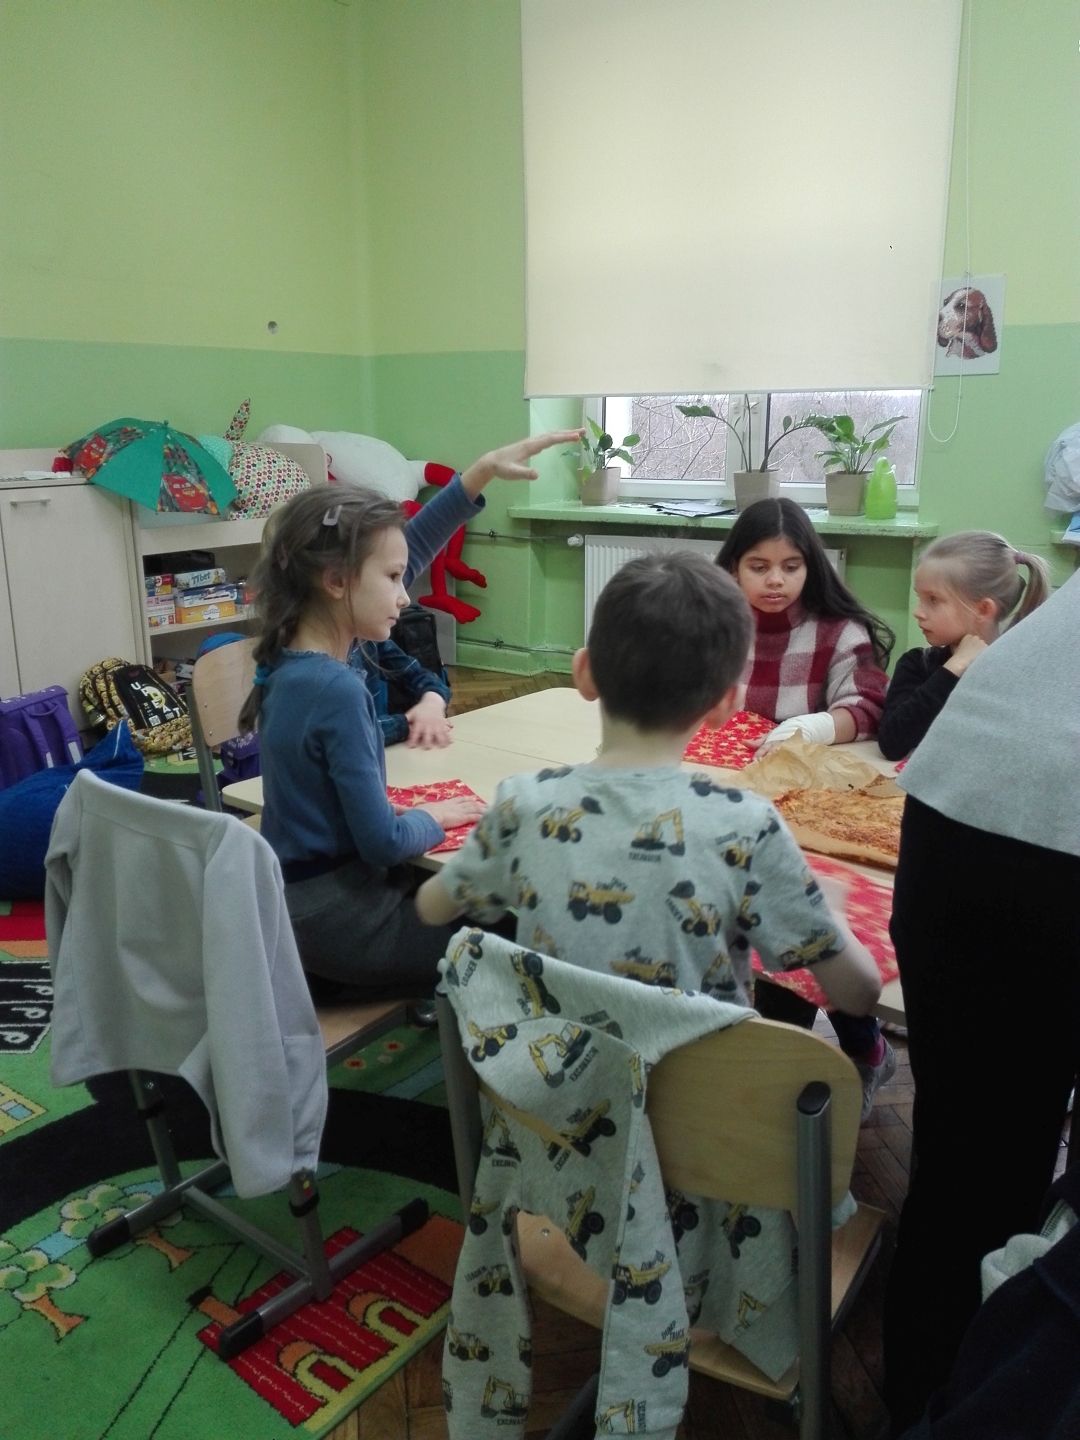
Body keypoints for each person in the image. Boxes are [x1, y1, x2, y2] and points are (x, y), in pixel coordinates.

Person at [416, 552, 882, 1025]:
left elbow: (432, 908)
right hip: (703, 1075)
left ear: (584, 672)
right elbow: (858, 994)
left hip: (550, 1071)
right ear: (728, 704)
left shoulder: (522, 803)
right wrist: (832, 916)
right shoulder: (748, 827)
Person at [237, 429, 582, 1001]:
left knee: (479, 897)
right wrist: (436, 815)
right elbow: (382, 842)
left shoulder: (292, 658)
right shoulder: (336, 688)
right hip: (345, 925)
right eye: (395, 580)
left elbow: (399, 553)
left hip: (298, 911)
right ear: (336, 581)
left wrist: (479, 473)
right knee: (530, 927)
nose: (406, 595)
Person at [883, 568, 1080, 1433]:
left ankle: (922, 1395)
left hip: (965, 799)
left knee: (965, 1161)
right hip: (1033, 826)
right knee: (983, 1163)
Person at [715, 498, 897, 1116]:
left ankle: (853, 1052)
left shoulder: (837, 630)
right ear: (732, 567)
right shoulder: (714, 618)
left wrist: (814, 726)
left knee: (800, 925)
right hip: (727, 791)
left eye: (790, 567)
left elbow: (870, 707)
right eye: (758, 566)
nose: (775, 581)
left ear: (811, 567)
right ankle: (779, 1059)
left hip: (807, 806)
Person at [877, 531, 1051, 760]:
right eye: (919, 597)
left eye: (933, 600)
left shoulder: (1019, 673)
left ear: (983, 609)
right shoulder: (918, 664)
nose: (918, 612)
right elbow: (891, 744)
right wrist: (953, 668)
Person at [348, 636, 453, 748]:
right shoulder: (335, 672)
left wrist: (432, 700)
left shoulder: (370, 639)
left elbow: (415, 673)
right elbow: (350, 734)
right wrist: (404, 724)